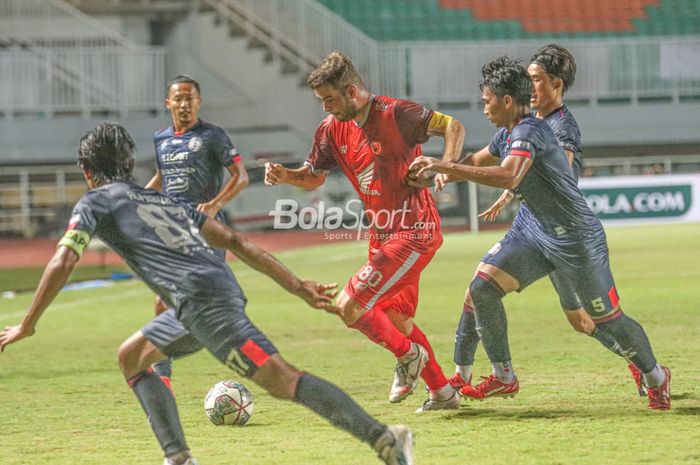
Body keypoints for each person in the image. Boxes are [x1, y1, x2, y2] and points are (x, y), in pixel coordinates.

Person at [0, 123, 415, 465]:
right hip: (206, 295)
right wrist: (297, 286)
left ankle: (385, 439)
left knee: (282, 380)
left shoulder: (93, 203)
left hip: (203, 305)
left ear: (86, 170)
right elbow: (235, 240)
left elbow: (62, 262)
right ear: (129, 165)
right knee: (132, 357)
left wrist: (28, 324)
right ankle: (179, 458)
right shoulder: (162, 200)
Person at [408, 57, 671, 410]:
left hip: (575, 239)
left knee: (605, 319)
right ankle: (503, 376)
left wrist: (444, 165)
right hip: (534, 230)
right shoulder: (507, 133)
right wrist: (433, 173)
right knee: (482, 290)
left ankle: (655, 376)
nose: (483, 108)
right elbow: (476, 161)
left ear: (504, 101)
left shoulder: (532, 131)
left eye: (486, 101)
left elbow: (510, 176)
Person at [264, 51, 466, 412]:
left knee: (350, 305)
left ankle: (409, 358)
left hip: (414, 231)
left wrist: (445, 165)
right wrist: (286, 175)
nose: (326, 108)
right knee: (395, 320)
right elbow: (313, 176)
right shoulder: (330, 129)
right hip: (382, 234)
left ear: (352, 91)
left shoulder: (395, 113)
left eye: (329, 99)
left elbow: (453, 126)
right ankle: (442, 393)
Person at [145, 75, 250, 387]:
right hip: (173, 231)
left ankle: (248, 355)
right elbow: (161, 179)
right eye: (178, 98)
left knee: (212, 303)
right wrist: (132, 199)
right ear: (168, 103)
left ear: (198, 102)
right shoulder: (161, 139)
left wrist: (216, 204)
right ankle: (162, 376)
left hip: (206, 231)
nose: (184, 104)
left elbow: (241, 176)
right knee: (162, 301)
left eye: (189, 98)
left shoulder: (213, 136)